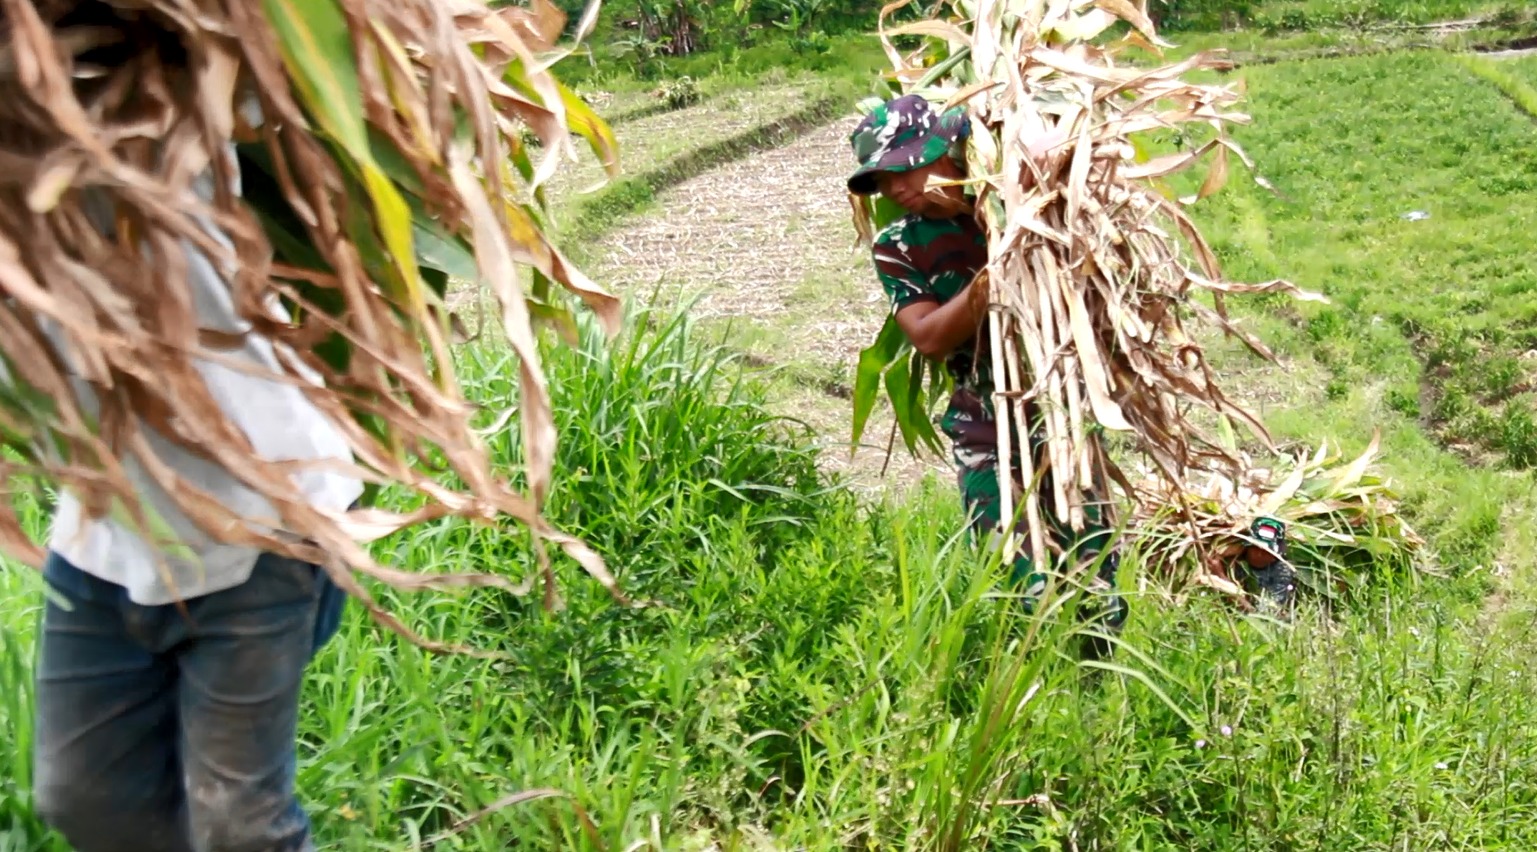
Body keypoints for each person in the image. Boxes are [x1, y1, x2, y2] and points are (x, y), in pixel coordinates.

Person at [26, 154, 362, 849]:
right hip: (105, 529)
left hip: (261, 516)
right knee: (83, 796)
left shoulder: (146, 104)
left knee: (239, 826)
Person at [846, 94, 1129, 648]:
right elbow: (926, 337)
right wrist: (996, 272)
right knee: (1015, 573)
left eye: (904, 164)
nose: (897, 187)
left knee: (1095, 578)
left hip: (1061, 408)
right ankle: (1032, 687)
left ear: (946, 147)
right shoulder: (898, 245)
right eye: (881, 178)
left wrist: (1024, 227)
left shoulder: (1029, 203)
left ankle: (1098, 690)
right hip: (984, 421)